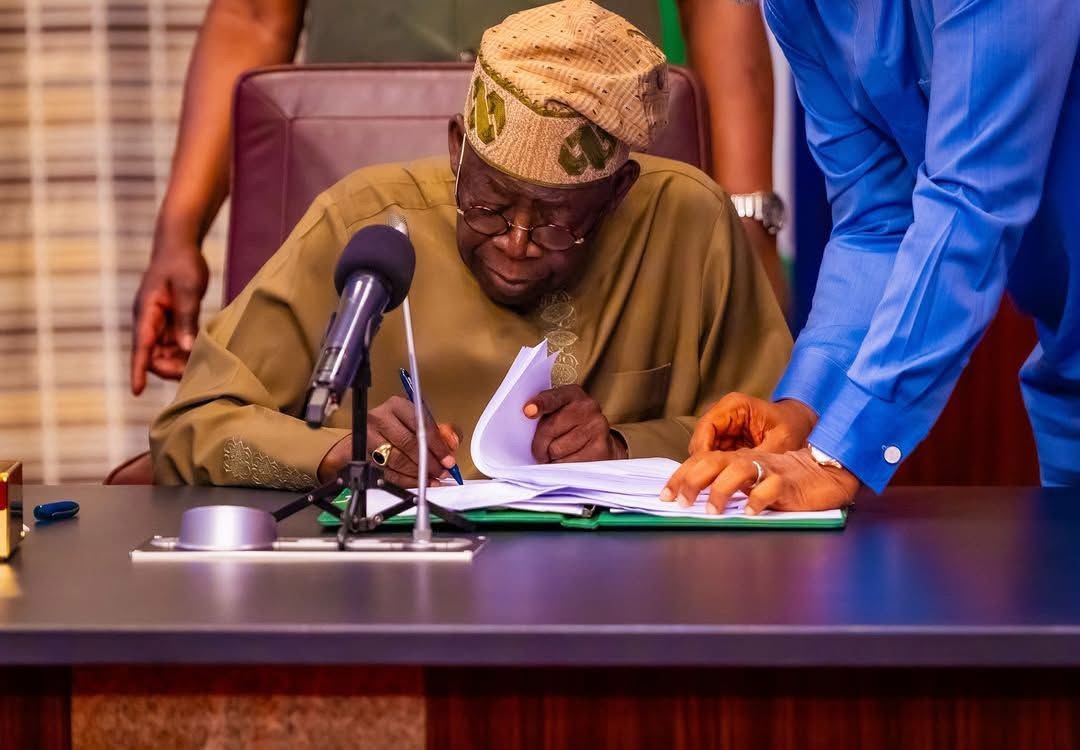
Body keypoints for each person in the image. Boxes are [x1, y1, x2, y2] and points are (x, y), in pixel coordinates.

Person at [150, 0, 791, 489]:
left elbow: (776, 439)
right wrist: (338, 452)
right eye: (489, 207)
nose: (516, 243)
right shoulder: (362, 223)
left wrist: (624, 446)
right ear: (458, 151)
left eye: (557, 222)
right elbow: (189, 428)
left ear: (618, 192)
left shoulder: (686, 223)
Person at [662, 0, 1080, 514]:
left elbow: (971, 201)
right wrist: (805, 409)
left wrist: (838, 453)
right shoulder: (798, 9)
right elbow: (876, 222)